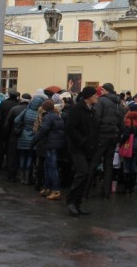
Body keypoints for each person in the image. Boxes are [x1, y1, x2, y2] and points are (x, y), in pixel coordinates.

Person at [65, 86, 99, 216]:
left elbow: (95, 129)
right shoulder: (77, 109)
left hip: (90, 148)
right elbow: (70, 128)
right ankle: (71, 202)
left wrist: (96, 142)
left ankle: (78, 203)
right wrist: (82, 141)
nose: (97, 97)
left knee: (86, 175)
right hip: (78, 148)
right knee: (82, 172)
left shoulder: (92, 110)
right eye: (95, 95)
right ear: (89, 97)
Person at [89, 83, 124, 198]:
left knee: (94, 162)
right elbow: (121, 122)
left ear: (107, 90)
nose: (101, 91)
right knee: (108, 164)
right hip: (113, 136)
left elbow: (96, 118)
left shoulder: (101, 101)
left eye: (103, 89)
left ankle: (85, 190)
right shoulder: (118, 103)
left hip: (102, 136)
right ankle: (106, 192)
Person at [32, 100, 65, 200]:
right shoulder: (56, 115)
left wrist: (34, 140)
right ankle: (47, 187)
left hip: (50, 144)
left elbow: (42, 130)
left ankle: (55, 190)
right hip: (55, 144)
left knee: (51, 167)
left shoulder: (47, 117)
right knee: (48, 166)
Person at [14, 96, 45, 185]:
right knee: (30, 158)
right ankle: (27, 178)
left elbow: (16, 120)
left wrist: (23, 124)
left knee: (22, 157)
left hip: (23, 137)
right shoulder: (39, 114)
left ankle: (22, 178)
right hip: (33, 138)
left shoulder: (26, 111)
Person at [119, 108, 137, 194]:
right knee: (133, 165)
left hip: (128, 146)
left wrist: (120, 143)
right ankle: (132, 186)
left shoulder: (129, 120)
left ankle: (127, 187)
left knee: (126, 165)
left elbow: (126, 134)